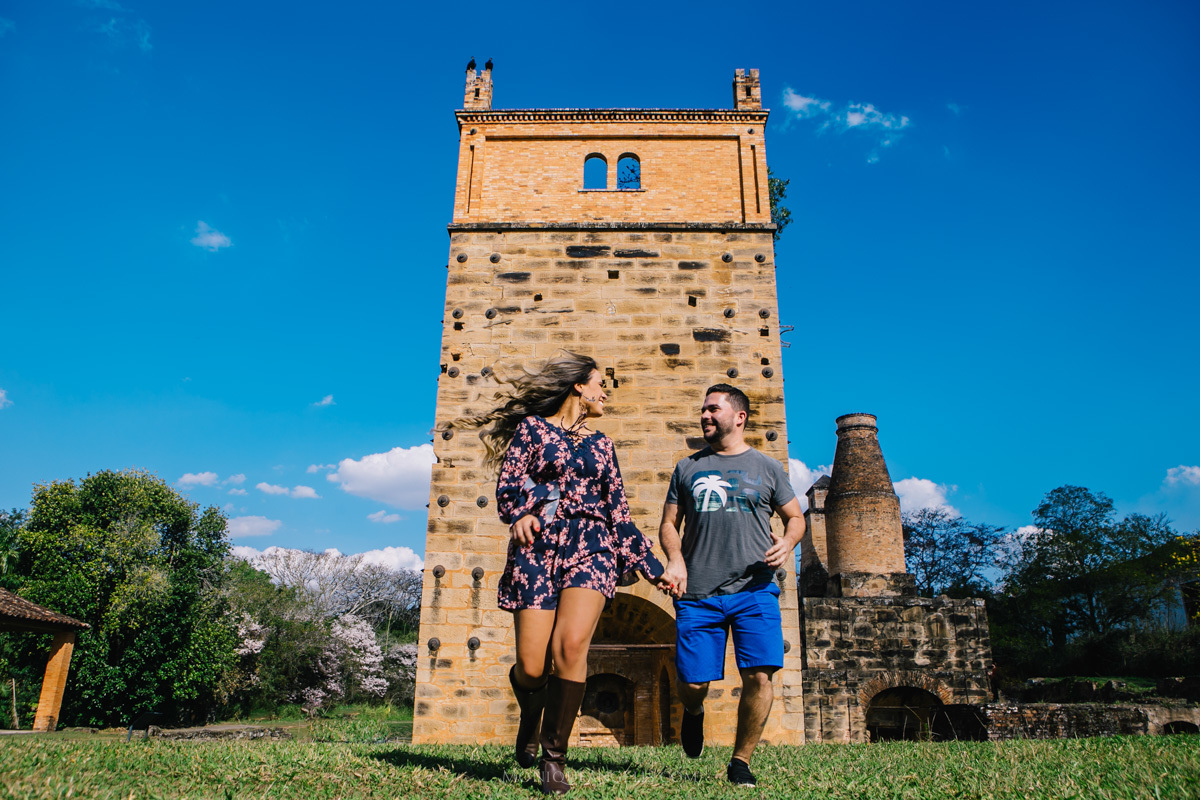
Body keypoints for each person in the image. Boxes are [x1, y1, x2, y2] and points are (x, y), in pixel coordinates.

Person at [451, 351, 667, 795]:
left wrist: (654, 567)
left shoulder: (603, 445)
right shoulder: (533, 430)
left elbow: (619, 513)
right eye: (598, 384)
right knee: (532, 667)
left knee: (570, 647)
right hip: (537, 548)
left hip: (592, 546)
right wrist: (518, 516)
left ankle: (554, 758)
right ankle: (531, 715)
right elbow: (508, 484)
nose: (604, 392)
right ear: (578, 388)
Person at [658, 383, 805, 787]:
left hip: (755, 589)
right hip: (697, 594)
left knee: (760, 675)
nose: (704, 416)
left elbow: (796, 518)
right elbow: (669, 524)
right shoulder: (687, 468)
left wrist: (788, 542)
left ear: (739, 417)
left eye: (713, 409)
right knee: (693, 683)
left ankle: (740, 761)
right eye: (703, 410)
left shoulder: (768, 468)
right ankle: (693, 713)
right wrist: (675, 559)